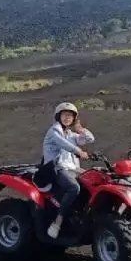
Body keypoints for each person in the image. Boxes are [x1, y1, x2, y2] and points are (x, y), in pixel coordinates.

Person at [41, 101, 95, 239]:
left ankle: (84, 215)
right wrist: (78, 151)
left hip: (72, 168)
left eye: (70, 116)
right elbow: (62, 143)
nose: (67, 118)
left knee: (96, 179)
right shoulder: (54, 131)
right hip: (57, 168)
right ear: (58, 116)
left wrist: (81, 130)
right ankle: (57, 222)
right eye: (65, 115)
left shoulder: (71, 134)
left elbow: (89, 139)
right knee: (73, 187)